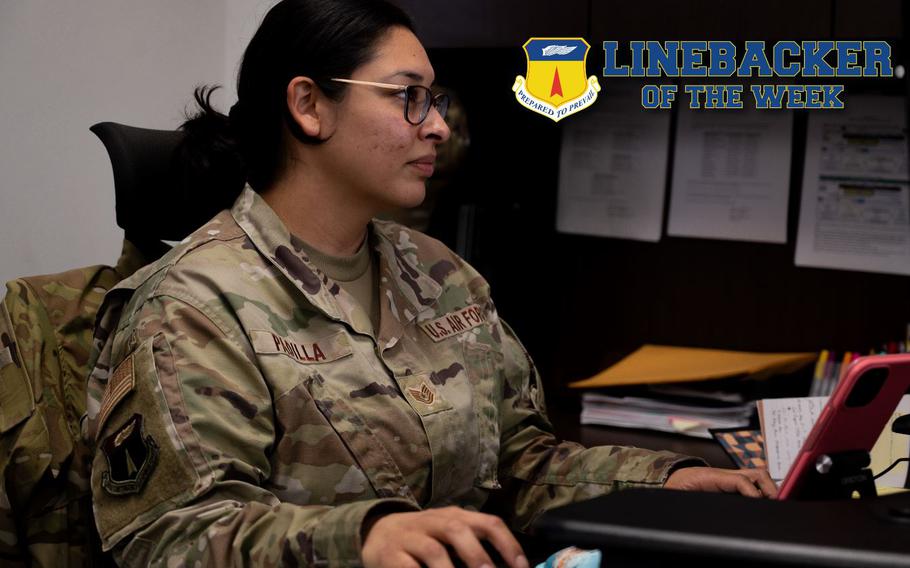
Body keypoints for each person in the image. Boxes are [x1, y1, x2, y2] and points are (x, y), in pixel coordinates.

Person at [83, 1, 777, 566]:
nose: (439, 126)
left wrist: (667, 481)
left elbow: (520, 465)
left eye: (435, 99)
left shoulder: (441, 274)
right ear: (308, 105)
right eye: (408, 98)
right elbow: (170, 537)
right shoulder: (196, 304)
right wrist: (363, 539)